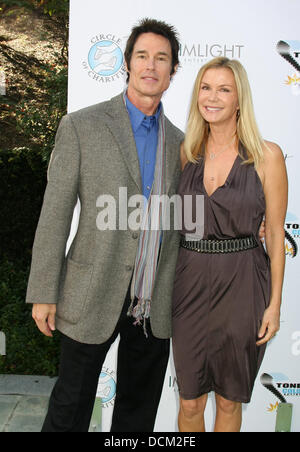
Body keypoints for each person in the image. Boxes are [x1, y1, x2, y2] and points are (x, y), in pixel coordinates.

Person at [26, 18, 184, 432]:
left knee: (137, 417)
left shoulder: (183, 144)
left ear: (172, 71)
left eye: (161, 58)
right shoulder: (82, 126)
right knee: (68, 411)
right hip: (89, 291)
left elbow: (190, 222)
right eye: (143, 56)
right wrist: (44, 291)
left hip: (154, 302)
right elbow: (55, 215)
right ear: (128, 64)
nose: (151, 66)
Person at [172, 57, 288, 432]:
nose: (213, 97)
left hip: (243, 284)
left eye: (224, 89)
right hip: (188, 283)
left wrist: (274, 305)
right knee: (190, 401)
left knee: (228, 399)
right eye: (206, 88)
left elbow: (274, 233)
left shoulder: (266, 156)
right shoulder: (185, 152)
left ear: (240, 99)